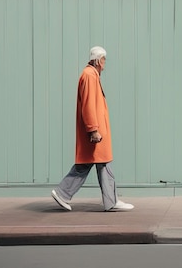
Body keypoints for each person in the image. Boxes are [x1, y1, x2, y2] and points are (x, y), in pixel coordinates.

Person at [51, 46, 134, 212]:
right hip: (95, 134)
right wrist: (93, 129)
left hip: (97, 132)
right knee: (91, 164)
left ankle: (108, 201)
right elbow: (88, 105)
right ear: (97, 60)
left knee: (97, 164)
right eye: (103, 61)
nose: (104, 65)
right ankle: (64, 193)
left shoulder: (91, 75)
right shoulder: (89, 76)